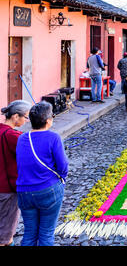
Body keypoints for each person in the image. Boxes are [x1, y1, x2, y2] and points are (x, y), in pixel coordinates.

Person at [16, 101, 68, 246]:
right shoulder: (53, 138)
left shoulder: (22, 138)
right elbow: (63, 166)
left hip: (24, 191)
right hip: (48, 189)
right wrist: (61, 179)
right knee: (46, 233)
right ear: (47, 120)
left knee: (29, 234)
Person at [0, 100, 32, 246]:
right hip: (8, 189)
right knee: (5, 235)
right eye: (25, 117)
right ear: (15, 116)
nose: (26, 121)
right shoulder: (12, 136)